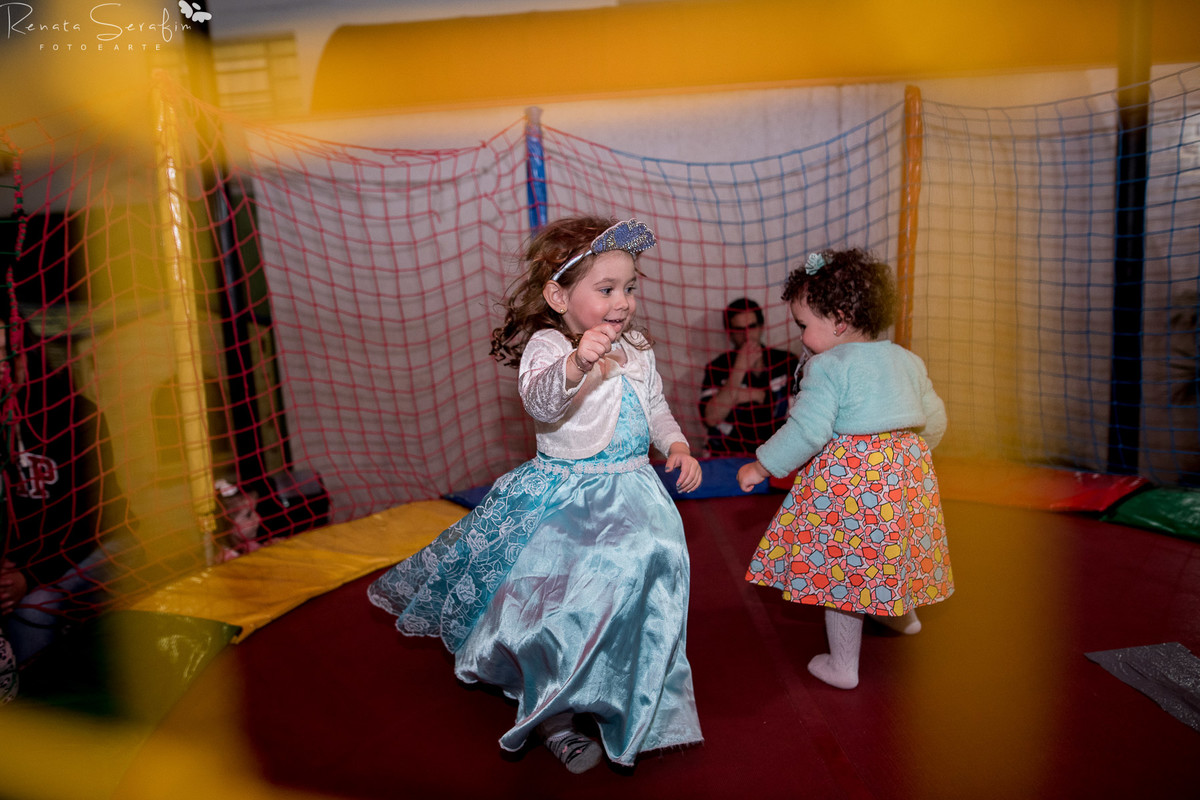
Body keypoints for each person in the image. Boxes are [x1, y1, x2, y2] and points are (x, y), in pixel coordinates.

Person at [368, 216, 703, 773]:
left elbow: (656, 406)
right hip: (564, 498)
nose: (622, 301)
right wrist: (578, 361)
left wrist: (676, 444)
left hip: (632, 491)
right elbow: (542, 403)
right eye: (606, 289)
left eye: (630, 287)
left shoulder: (638, 346)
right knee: (557, 607)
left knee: (646, 577)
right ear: (558, 295)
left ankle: (631, 690)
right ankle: (553, 718)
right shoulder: (549, 344)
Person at [736, 248, 952, 690]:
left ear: (837, 320)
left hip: (852, 483)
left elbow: (808, 430)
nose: (801, 337)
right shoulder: (908, 360)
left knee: (843, 569)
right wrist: (909, 459)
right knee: (891, 551)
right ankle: (903, 620)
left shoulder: (829, 365)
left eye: (803, 326)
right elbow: (936, 419)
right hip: (903, 474)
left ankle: (843, 666)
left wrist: (762, 465)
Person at [0, 315, 139, 669]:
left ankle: (46, 711)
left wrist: (29, 576)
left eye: (7, 354)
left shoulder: (75, 412)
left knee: (34, 606)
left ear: (26, 353)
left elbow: (89, 518)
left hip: (101, 542)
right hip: (26, 559)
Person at [700, 297, 801, 456]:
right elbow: (711, 418)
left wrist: (754, 396)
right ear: (730, 333)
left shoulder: (786, 361)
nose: (747, 335)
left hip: (779, 455)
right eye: (739, 329)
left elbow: (800, 414)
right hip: (726, 455)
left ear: (761, 327)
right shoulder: (717, 367)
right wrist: (739, 368)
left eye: (752, 327)